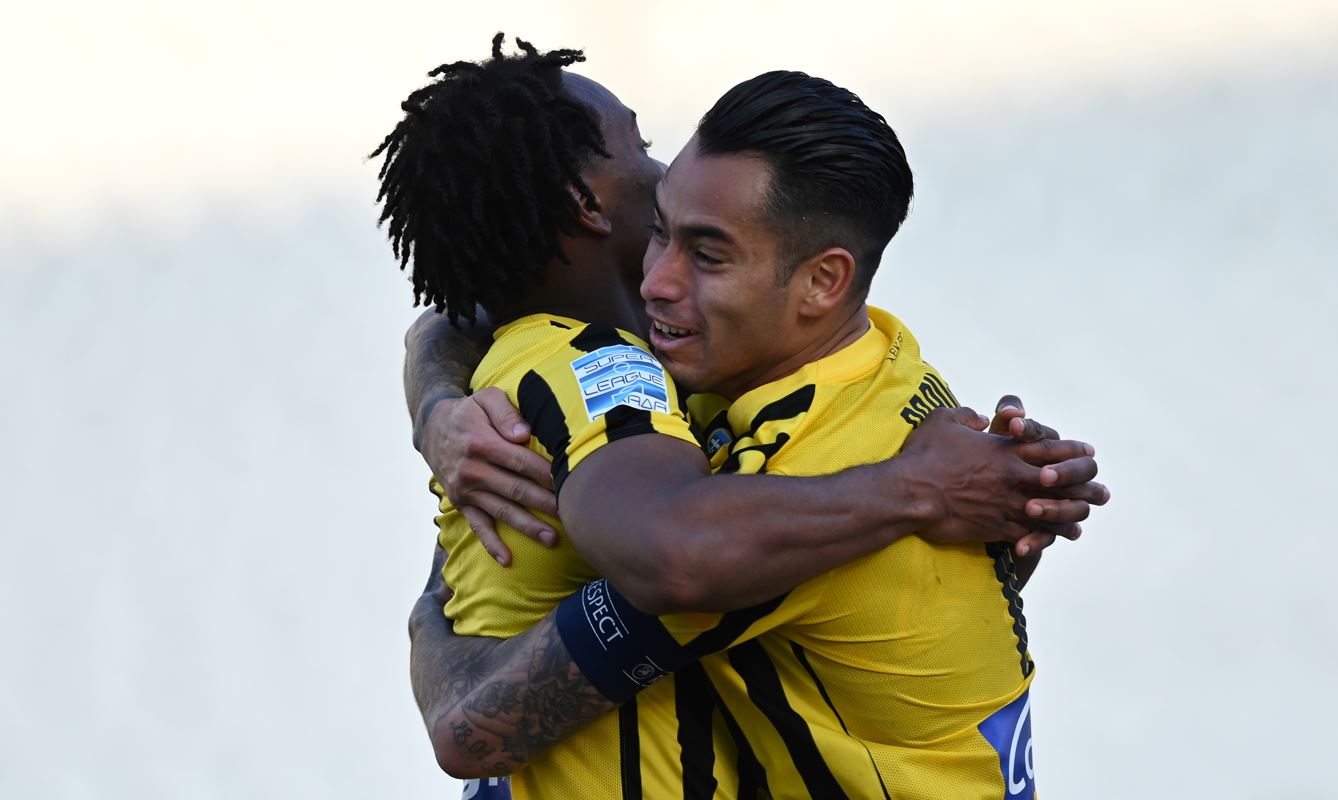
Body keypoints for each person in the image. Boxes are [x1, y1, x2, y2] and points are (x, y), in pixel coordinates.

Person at [378, 37, 1104, 799]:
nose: (659, 280)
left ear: (823, 281)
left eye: (708, 253)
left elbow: (474, 727)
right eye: (662, 226)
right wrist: (435, 406)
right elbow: (465, 318)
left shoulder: (777, 508)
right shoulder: (885, 367)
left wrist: (430, 625)